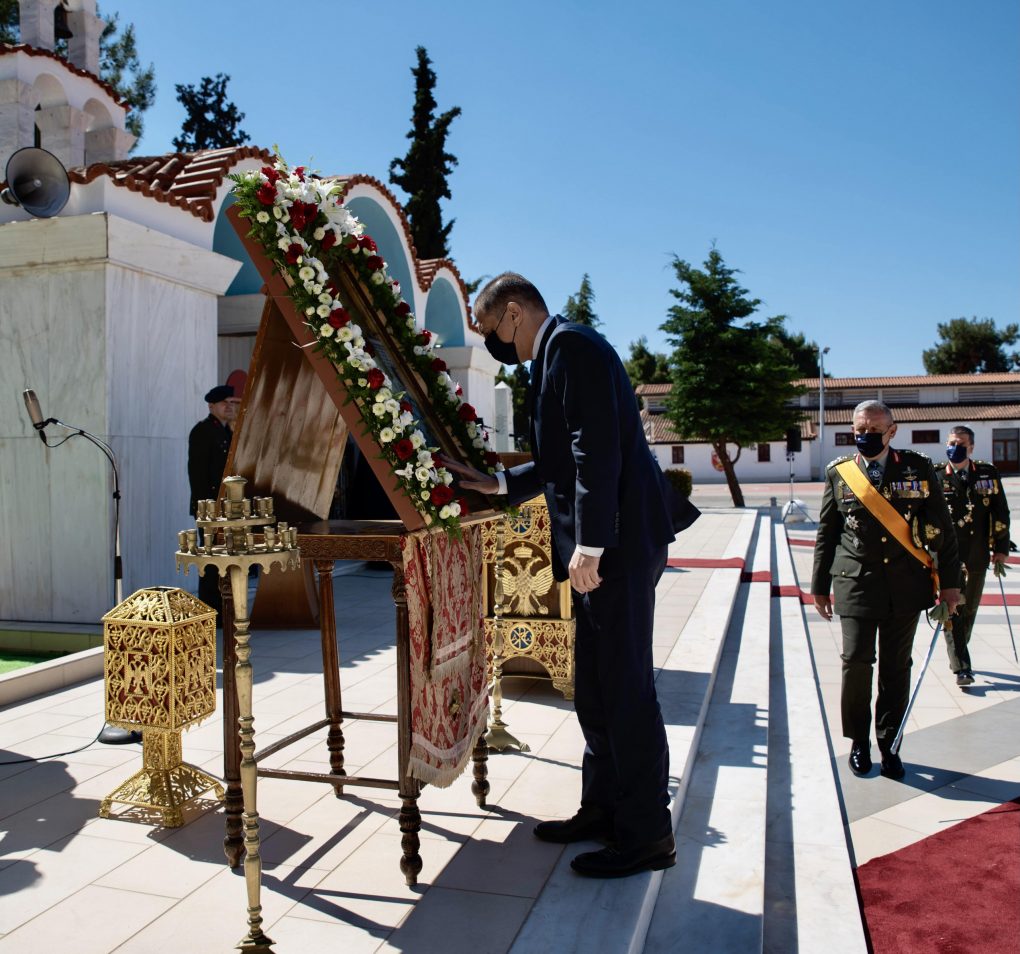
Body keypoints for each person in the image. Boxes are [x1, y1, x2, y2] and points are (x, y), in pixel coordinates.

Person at [443, 272, 699, 879]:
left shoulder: (573, 347)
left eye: (488, 330)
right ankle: (603, 810)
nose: (492, 345)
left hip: (617, 549)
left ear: (512, 313)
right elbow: (560, 459)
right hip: (607, 545)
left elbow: (596, 452)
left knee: (627, 690)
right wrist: (502, 484)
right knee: (596, 687)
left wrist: (592, 544)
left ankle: (646, 836)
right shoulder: (558, 351)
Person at [812, 401, 961, 780]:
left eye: (874, 430)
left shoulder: (918, 467)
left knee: (896, 669)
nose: (865, 436)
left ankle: (890, 742)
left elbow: (943, 529)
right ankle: (858, 741)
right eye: (859, 429)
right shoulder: (840, 472)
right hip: (856, 585)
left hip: (906, 588)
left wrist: (952, 587)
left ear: (892, 431)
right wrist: (819, 588)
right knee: (856, 665)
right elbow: (827, 533)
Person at [941, 425, 1011, 686]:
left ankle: (958, 651)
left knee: (969, 608)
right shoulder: (937, 475)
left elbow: (1000, 511)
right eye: (951, 442)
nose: (954, 447)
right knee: (953, 608)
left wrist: (1001, 549)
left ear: (970, 447)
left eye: (960, 443)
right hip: (948, 556)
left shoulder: (986, 473)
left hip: (977, 553)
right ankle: (962, 666)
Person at [188, 384, 240, 616]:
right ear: (211, 406)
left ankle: (225, 605)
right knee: (211, 561)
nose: (229, 407)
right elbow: (197, 474)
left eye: (231, 403)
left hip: (227, 508)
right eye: (224, 403)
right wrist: (206, 509)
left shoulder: (228, 431)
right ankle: (211, 609)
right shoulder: (203, 431)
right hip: (210, 507)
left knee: (226, 558)